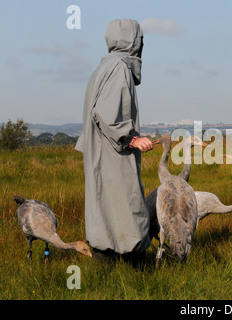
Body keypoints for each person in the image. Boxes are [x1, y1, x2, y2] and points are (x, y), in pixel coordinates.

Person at [75, 19, 153, 263]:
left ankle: (105, 267)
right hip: (113, 153)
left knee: (104, 207)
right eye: (140, 41)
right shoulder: (120, 67)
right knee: (127, 204)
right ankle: (136, 269)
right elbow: (106, 113)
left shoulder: (102, 68)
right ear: (134, 41)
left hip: (100, 152)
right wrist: (132, 139)